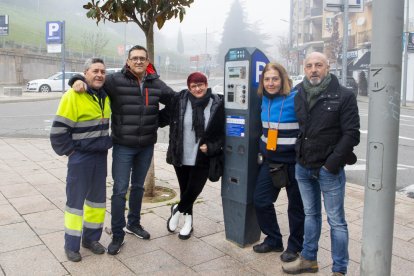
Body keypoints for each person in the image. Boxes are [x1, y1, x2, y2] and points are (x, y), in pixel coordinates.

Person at [70, 45, 175, 255]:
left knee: (138, 187)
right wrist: (75, 80)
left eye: (142, 59)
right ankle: (117, 234)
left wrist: (157, 121)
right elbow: (94, 81)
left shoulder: (156, 83)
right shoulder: (115, 81)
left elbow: (175, 101)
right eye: (134, 58)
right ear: (128, 61)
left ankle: (133, 223)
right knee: (119, 190)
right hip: (123, 146)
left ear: (147, 62)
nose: (138, 61)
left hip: (146, 146)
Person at [282, 52, 360, 276]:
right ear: (304, 68)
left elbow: (352, 134)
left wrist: (331, 165)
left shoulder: (343, 95)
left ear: (328, 67)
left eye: (318, 65)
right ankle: (308, 260)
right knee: (310, 215)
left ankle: (339, 269)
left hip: (329, 169)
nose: (313, 69)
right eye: (309, 66)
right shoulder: (299, 93)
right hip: (303, 166)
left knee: (336, 221)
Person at [50, 58, 112, 262]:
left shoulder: (105, 95)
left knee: (97, 202)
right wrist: (71, 153)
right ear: (85, 73)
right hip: (80, 158)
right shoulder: (73, 95)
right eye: (95, 71)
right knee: (75, 204)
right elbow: (58, 132)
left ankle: (91, 239)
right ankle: (71, 245)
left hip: (100, 157)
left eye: (102, 71)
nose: (100, 75)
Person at [160, 72, 224, 240]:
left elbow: (223, 133)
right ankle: (188, 223)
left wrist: (211, 147)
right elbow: (162, 118)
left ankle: (177, 210)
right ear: (189, 87)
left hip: (202, 157)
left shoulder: (217, 103)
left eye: (200, 84)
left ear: (206, 84)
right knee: (185, 191)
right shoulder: (179, 101)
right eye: (193, 86)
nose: (197, 89)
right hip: (181, 155)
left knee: (193, 191)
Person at [252, 63, 304, 263]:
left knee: (296, 208)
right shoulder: (263, 99)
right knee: (261, 200)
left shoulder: (296, 98)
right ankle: (274, 239)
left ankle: (294, 246)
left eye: (275, 79)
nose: (271, 83)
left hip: (294, 163)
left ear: (283, 79)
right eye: (267, 79)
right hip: (271, 162)